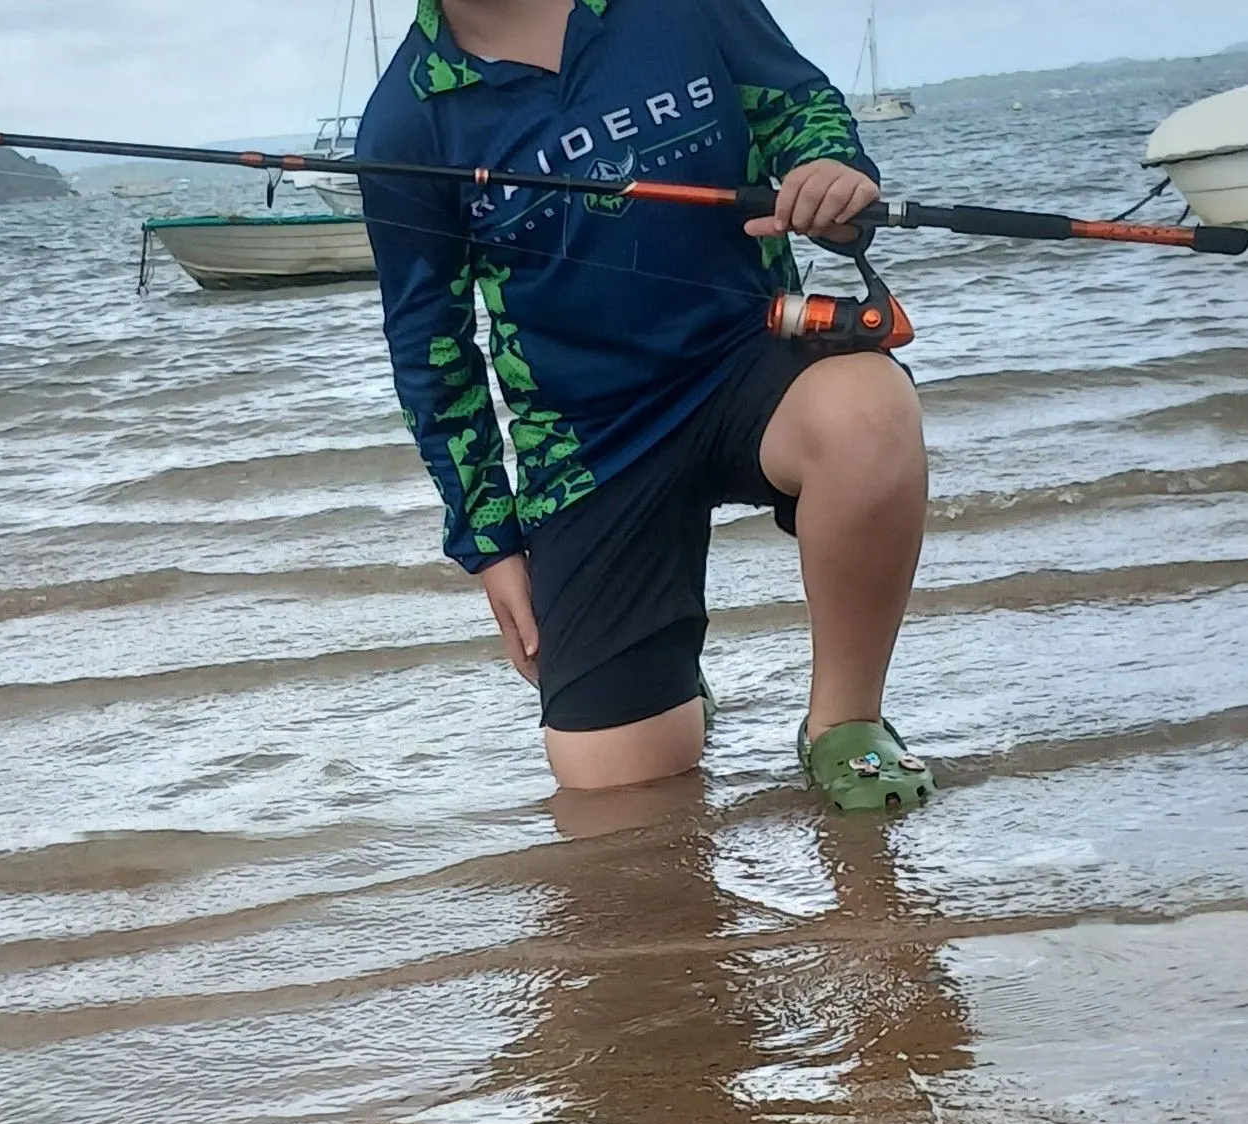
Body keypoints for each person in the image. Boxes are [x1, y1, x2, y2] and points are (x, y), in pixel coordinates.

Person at [355, 0, 936, 812]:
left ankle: (845, 722)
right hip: (586, 449)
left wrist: (828, 168)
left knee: (869, 411)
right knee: (615, 795)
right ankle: (670, 679)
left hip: (750, 360)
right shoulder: (403, 123)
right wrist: (487, 542)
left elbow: (798, 104)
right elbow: (431, 348)